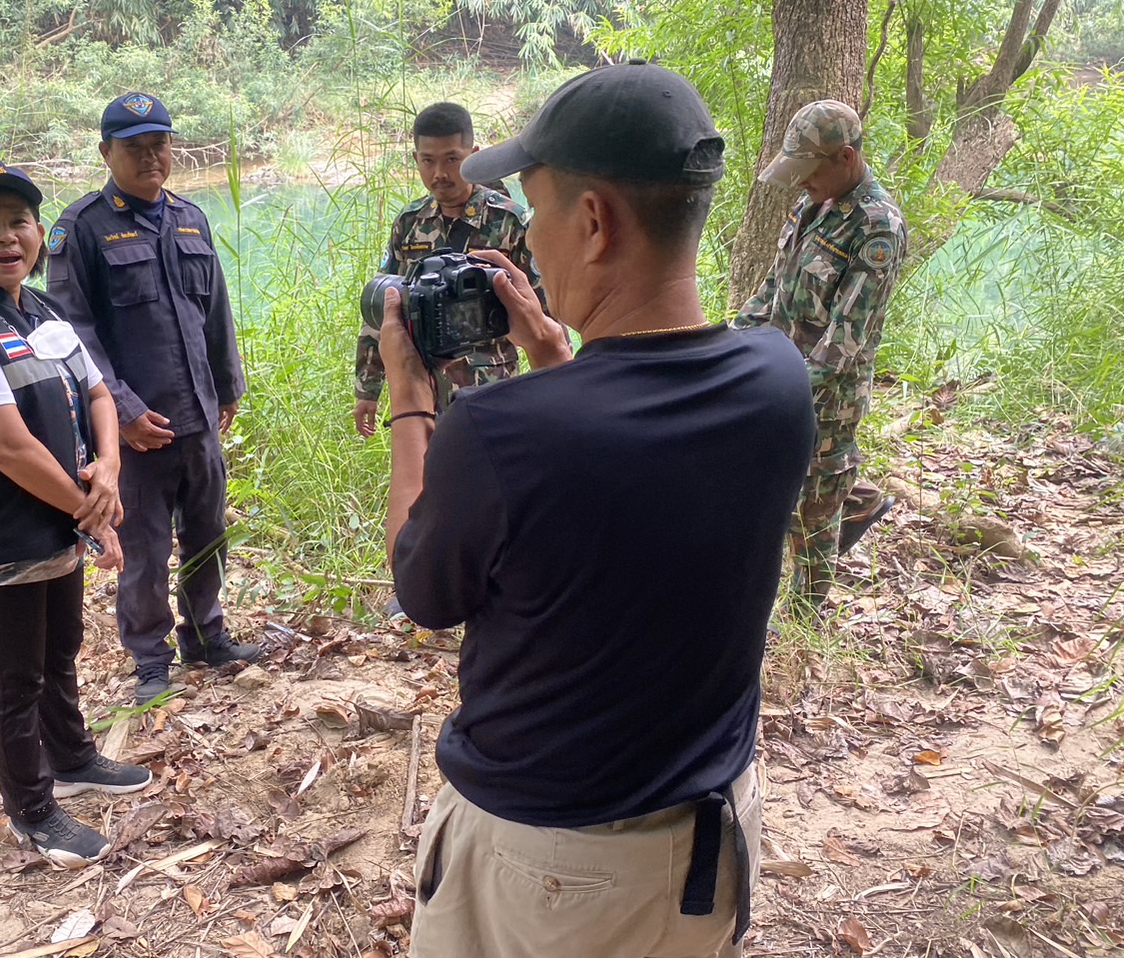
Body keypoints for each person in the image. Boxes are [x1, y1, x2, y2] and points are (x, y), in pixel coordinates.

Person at [378, 63, 815, 958]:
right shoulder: (779, 380)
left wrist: (411, 403)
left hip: (545, 868)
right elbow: (631, 458)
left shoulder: (500, 433)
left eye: (535, 212)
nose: (530, 242)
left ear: (592, 220)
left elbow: (420, 594)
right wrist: (555, 351)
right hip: (705, 837)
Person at [0, 158, 152, 869]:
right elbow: (7, 446)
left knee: (58, 649)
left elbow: (99, 393)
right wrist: (94, 512)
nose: (6, 236)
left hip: (57, 525)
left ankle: (72, 756)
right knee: (14, 680)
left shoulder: (40, 310)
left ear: (39, 232)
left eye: (18, 221)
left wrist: (107, 468)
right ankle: (33, 810)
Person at [47, 93, 258, 705]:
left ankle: (208, 637)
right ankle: (150, 660)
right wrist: (124, 410)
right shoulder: (81, 227)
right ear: (106, 153)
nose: (150, 157)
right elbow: (71, 332)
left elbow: (215, 312)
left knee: (208, 532)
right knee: (142, 548)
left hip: (198, 416)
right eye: (134, 148)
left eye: (159, 144)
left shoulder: (191, 217)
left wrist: (227, 387)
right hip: (133, 429)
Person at [734, 100, 908, 603]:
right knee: (780, 487)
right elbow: (772, 289)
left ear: (846, 158)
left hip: (827, 394)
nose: (800, 182)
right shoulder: (813, 204)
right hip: (778, 375)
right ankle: (860, 498)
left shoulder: (877, 227)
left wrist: (783, 390)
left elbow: (846, 337)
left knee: (812, 512)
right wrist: (730, 348)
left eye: (809, 172)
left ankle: (809, 622)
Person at [352, 101, 546, 436]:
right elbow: (385, 306)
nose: (439, 173)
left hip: (493, 389)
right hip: (426, 393)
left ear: (475, 154)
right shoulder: (409, 223)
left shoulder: (508, 221)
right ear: (416, 160)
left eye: (452, 159)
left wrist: (553, 390)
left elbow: (545, 313)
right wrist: (367, 389)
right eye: (428, 161)